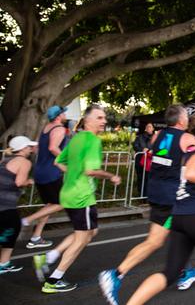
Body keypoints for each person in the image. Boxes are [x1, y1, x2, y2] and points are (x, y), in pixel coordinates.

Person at [126, 108, 195, 305]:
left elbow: (191, 172)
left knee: (171, 272)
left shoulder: (189, 152)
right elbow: (192, 173)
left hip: (180, 216)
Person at [99, 105, 195, 304]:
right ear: (181, 121)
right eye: (186, 117)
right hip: (172, 197)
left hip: (156, 192)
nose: (188, 120)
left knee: (177, 234)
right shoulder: (187, 139)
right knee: (158, 240)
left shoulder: (158, 135)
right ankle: (117, 274)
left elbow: (164, 157)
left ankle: (183, 271)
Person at [33, 104, 121, 293]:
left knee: (91, 232)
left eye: (104, 118)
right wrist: (110, 176)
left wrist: (73, 173)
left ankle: (49, 256)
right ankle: (54, 280)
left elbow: (58, 161)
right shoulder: (92, 141)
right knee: (82, 238)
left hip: (69, 192)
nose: (104, 121)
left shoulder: (75, 138)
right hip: (82, 196)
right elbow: (90, 171)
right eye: (99, 118)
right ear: (87, 120)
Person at [21, 105, 69, 249]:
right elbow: (52, 148)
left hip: (40, 170)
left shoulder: (46, 128)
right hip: (51, 172)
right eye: (64, 113)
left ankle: (36, 237)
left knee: (49, 205)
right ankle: (27, 220)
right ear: (59, 116)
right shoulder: (59, 129)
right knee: (62, 202)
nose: (66, 115)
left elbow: (37, 148)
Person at [0, 136, 38, 274]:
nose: (30, 149)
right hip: (6, 203)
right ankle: (3, 264)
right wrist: (30, 181)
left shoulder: (5, 159)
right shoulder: (24, 162)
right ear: (22, 149)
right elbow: (19, 182)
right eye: (28, 147)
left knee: (10, 230)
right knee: (12, 229)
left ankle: (4, 263)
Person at [133, 123, 154, 197]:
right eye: (148, 127)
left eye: (151, 127)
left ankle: (147, 196)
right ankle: (141, 195)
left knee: (148, 179)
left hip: (149, 163)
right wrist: (142, 150)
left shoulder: (154, 138)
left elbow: (159, 148)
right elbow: (135, 146)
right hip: (140, 162)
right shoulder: (139, 137)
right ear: (145, 129)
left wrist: (152, 150)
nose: (150, 128)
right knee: (140, 178)